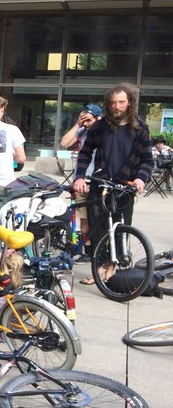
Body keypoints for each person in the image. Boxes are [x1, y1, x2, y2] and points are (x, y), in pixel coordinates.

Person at [73, 83, 154, 283]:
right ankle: (98, 268)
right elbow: (85, 153)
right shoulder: (99, 127)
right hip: (99, 185)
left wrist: (140, 178)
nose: (117, 106)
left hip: (125, 187)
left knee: (120, 229)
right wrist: (80, 176)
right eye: (113, 103)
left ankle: (112, 266)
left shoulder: (140, 129)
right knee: (97, 229)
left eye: (121, 102)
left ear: (129, 103)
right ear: (108, 104)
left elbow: (148, 160)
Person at [60, 103, 103, 264]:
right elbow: (64, 143)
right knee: (84, 218)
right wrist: (78, 124)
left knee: (99, 218)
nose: (86, 123)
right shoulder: (82, 130)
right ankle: (88, 251)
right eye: (84, 119)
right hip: (82, 180)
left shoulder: (103, 131)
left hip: (99, 179)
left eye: (89, 120)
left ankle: (100, 251)